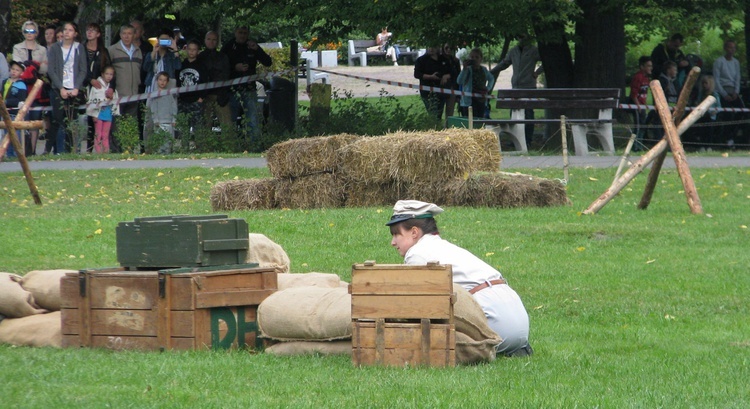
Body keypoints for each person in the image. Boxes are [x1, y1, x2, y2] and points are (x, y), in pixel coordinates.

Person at [386, 200, 532, 357]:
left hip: (493, 326)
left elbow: (418, 308)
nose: (393, 242)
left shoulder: (417, 253)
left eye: (396, 234)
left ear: (414, 232)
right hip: (519, 326)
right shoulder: (444, 247)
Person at [490, 34, 543, 146]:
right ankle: (514, 140)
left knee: (528, 114)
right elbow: (505, 63)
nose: (521, 38)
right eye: (519, 36)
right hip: (516, 86)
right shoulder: (514, 51)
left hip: (529, 86)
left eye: (523, 36)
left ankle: (528, 140)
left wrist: (537, 72)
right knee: (514, 113)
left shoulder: (534, 50)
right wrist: (491, 72)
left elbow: (547, 61)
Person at [221, 26, 272, 141]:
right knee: (231, 119)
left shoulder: (252, 45)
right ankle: (232, 144)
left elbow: (268, 62)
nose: (242, 35)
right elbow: (221, 67)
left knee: (252, 118)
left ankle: (255, 145)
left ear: (248, 34)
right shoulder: (228, 46)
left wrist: (257, 49)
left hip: (249, 88)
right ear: (235, 33)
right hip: (232, 89)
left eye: (245, 33)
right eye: (240, 32)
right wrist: (235, 68)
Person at [46, 22, 87, 155]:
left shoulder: (79, 47)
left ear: (75, 33)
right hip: (58, 88)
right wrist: (61, 88)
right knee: (57, 119)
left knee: (71, 120)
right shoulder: (55, 48)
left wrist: (76, 88)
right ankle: (51, 150)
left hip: (73, 88)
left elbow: (83, 70)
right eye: (65, 30)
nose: (67, 32)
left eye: (70, 30)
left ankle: (70, 150)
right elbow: (51, 70)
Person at [13, 21, 48, 155]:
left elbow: (45, 68)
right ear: (23, 33)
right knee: (22, 118)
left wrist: (29, 65)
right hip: (21, 87)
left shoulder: (42, 49)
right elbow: (18, 67)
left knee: (35, 118)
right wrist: (36, 65)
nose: (29, 34)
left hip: (37, 88)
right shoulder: (17, 47)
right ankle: (21, 150)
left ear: (37, 33)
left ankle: (32, 150)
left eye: (32, 31)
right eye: (26, 31)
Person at [83, 23, 112, 153]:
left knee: (100, 118)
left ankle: (102, 148)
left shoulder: (103, 52)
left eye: (93, 30)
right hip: (84, 87)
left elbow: (110, 70)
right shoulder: (80, 49)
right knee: (88, 117)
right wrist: (89, 79)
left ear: (98, 34)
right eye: (88, 30)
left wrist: (110, 87)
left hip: (100, 89)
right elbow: (78, 69)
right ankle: (88, 148)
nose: (90, 33)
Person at [198, 31, 233, 132]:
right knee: (204, 125)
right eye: (209, 39)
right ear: (205, 40)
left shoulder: (223, 57)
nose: (211, 42)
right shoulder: (200, 57)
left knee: (227, 125)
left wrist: (222, 93)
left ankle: (229, 147)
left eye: (214, 40)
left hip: (220, 94)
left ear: (217, 41)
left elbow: (226, 75)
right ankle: (204, 147)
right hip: (204, 96)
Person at [108, 24, 143, 122]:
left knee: (131, 125)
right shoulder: (112, 50)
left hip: (134, 94)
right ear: (120, 35)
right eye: (124, 33)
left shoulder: (138, 50)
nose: (126, 36)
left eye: (129, 34)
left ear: (134, 35)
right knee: (117, 126)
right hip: (118, 95)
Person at [712, 39, 743, 148]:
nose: (732, 50)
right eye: (730, 47)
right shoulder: (719, 62)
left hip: (733, 91)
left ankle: (732, 136)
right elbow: (716, 79)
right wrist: (724, 94)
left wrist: (736, 92)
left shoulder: (736, 62)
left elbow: (737, 78)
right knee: (727, 114)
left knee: (741, 111)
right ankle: (724, 137)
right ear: (725, 48)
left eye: (733, 48)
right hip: (722, 90)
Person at [85, 65, 119, 153]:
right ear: (102, 74)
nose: (109, 76)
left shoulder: (113, 89)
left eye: (111, 74)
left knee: (105, 134)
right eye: (107, 74)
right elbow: (91, 100)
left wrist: (111, 97)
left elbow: (115, 102)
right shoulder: (96, 87)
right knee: (98, 134)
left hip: (108, 114)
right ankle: (99, 152)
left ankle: (105, 151)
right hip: (98, 114)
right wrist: (93, 114)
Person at [177, 39, 208, 137]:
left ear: (198, 51)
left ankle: (199, 148)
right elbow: (177, 82)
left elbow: (205, 83)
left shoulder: (202, 66)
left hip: (196, 100)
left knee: (198, 127)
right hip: (183, 101)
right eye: (190, 49)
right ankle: (184, 149)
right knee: (183, 127)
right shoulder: (181, 65)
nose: (191, 52)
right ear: (186, 50)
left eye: (194, 49)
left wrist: (201, 98)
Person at [414, 46, 452, 120]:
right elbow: (417, 74)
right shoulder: (421, 60)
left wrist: (446, 76)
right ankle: (434, 127)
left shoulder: (443, 59)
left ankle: (438, 127)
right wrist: (431, 77)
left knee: (439, 113)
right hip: (427, 91)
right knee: (433, 113)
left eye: (434, 47)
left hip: (441, 90)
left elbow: (452, 72)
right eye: (429, 47)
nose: (431, 49)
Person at [456, 48, 495, 119]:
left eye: (477, 57)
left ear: (481, 59)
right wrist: (464, 69)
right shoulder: (468, 70)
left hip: (481, 100)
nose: (474, 59)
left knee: (480, 121)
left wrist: (488, 88)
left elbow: (491, 78)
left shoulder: (484, 70)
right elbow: (459, 81)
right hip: (468, 101)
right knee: (469, 123)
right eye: (472, 57)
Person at [145, 71, 177, 153]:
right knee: (159, 141)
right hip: (159, 123)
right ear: (157, 81)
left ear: (167, 82)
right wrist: (155, 120)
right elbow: (153, 108)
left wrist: (174, 119)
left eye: (164, 80)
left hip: (169, 122)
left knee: (169, 141)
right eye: (160, 80)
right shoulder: (154, 95)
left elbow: (174, 107)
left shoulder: (170, 94)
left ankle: (168, 156)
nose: (162, 82)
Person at [1, 61, 29, 158]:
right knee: (6, 133)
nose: (14, 72)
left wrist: (7, 102)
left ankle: (16, 154)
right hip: (5, 112)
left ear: (21, 73)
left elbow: (20, 100)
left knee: (15, 134)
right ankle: (9, 154)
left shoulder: (21, 84)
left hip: (14, 113)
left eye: (17, 70)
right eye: (13, 69)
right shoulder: (5, 82)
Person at [629, 56, 652, 151]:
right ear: (642, 67)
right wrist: (638, 105)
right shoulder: (638, 77)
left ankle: (640, 145)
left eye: (651, 66)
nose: (650, 68)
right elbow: (633, 93)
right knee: (638, 126)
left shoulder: (646, 78)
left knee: (643, 125)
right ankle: (635, 146)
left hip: (642, 105)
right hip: (637, 105)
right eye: (648, 66)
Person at [441, 43, 461, 120]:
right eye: (447, 48)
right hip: (440, 88)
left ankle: (448, 127)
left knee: (450, 111)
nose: (449, 50)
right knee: (438, 111)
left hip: (452, 87)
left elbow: (458, 74)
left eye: (451, 48)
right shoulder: (439, 59)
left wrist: (449, 75)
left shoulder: (455, 61)